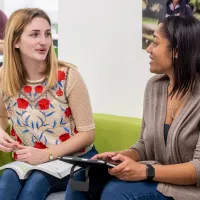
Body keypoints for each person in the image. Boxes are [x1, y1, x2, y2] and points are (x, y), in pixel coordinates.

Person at [66, 16, 200, 200]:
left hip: (189, 190)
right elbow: (144, 145)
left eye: (155, 42)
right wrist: (121, 157)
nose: (149, 49)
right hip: (155, 176)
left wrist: (145, 171)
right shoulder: (155, 87)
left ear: (177, 51)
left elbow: (198, 169)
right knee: (83, 179)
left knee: (116, 194)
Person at [0, 8, 97, 200]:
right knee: (6, 184)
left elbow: (87, 134)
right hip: (28, 160)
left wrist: (47, 155)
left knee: (35, 185)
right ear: (16, 42)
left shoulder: (69, 76)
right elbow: (2, 116)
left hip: (73, 159)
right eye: (35, 34)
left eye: (47, 34)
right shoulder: (3, 77)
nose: (43, 41)